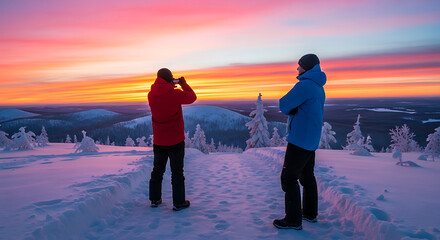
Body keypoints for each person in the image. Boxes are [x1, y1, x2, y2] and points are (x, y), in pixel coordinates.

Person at [273, 54, 326, 229]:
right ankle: (310, 214)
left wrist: (293, 109)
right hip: (311, 139)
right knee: (307, 176)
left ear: (306, 66)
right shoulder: (318, 86)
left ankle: (293, 220)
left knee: (288, 178)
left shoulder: (304, 85)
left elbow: (284, 104)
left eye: (299, 65)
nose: (297, 69)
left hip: (300, 139)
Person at [148, 68, 197, 211]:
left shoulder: (151, 95)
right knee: (177, 172)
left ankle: (154, 199)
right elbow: (192, 97)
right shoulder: (174, 94)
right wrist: (183, 84)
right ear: (170, 79)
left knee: (157, 171)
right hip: (175, 140)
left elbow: (162, 96)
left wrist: (170, 85)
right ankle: (178, 202)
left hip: (159, 141)